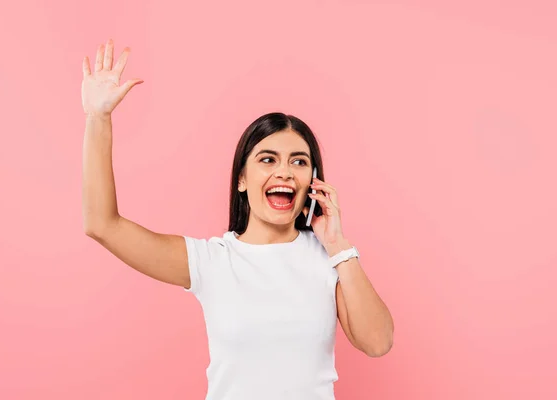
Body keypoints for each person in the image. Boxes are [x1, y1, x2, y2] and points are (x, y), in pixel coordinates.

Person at [81, 39, 394, 400]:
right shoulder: (212, 261)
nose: (285, 172)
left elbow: (377, 342)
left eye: (299, 161)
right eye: (267, 159)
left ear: (313, 180)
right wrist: (97, 118)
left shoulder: (330, 259)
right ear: (242, 179)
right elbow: (101, 224)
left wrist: (339, 246)